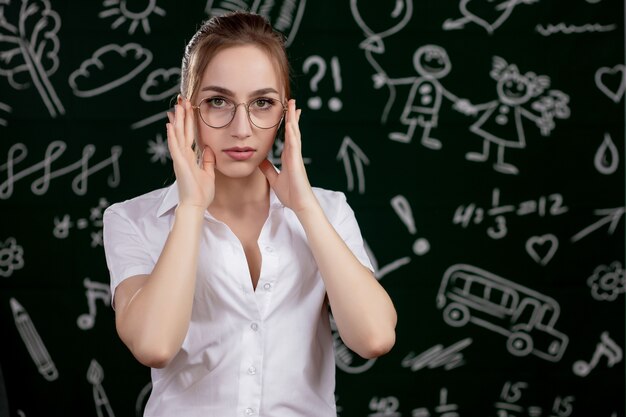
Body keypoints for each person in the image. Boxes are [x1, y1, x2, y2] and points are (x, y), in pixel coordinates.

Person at [103, 10, 396, 417]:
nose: (241, 128)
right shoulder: (132, 219)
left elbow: (375, 338)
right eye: (218, 101)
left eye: (262, 103)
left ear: (285, 114)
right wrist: (190, 208)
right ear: (185, 110)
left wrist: (305, 207)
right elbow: (154, 345)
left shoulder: (330, 210)